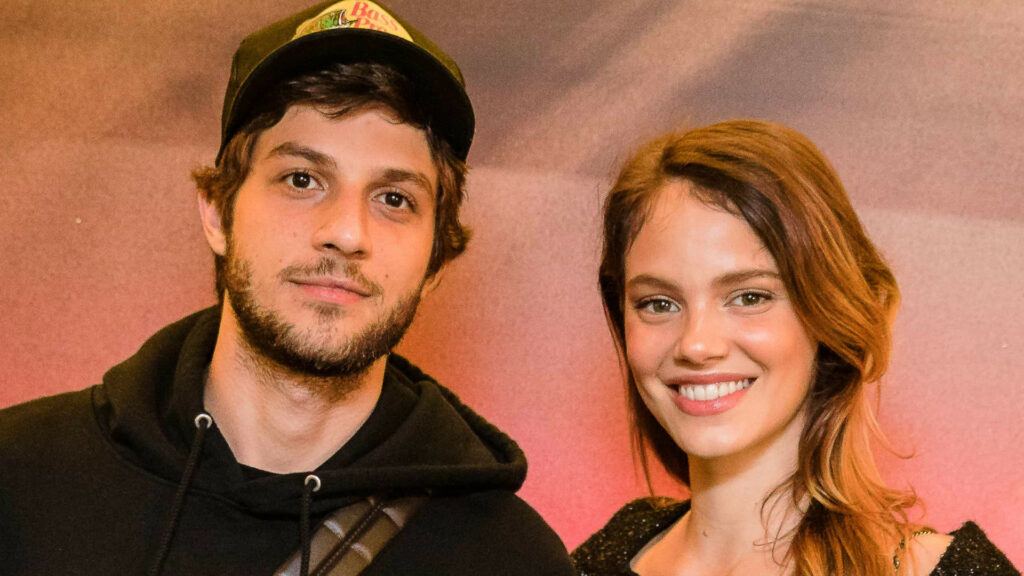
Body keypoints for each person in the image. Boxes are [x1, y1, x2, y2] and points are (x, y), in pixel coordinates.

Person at [0, 2, 574, 575]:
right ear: (217, 212)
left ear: (436, 262)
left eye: (394, 199)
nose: (346, 233)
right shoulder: (20, 479)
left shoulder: (512, 560)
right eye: (302, 179)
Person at [571, 120, 1019, 576]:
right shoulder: (595, 562)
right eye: (658, 303)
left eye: (749, 297)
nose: (696, 344)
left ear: (828, 312)